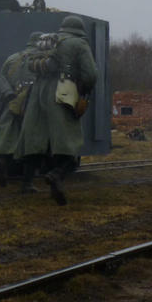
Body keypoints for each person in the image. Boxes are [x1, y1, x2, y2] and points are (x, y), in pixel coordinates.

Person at [15, 15, 98, 205]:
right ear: (80, 29)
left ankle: (27, 184)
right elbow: (91, 74)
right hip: (62, 93)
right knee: (68, 141)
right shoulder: (79, 44)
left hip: (38, 94)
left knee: (36, 139)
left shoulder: (48, 41)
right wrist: (84, 89)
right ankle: (57, 175)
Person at [0, 32, 41, 192]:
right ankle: (27, 183)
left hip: (10, 105)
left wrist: (8, 94)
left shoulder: (13, 58)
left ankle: (1, 163)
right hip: (33, 108)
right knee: (33, 147)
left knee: (5, 141)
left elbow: (0, 78)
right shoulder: (42, 60)